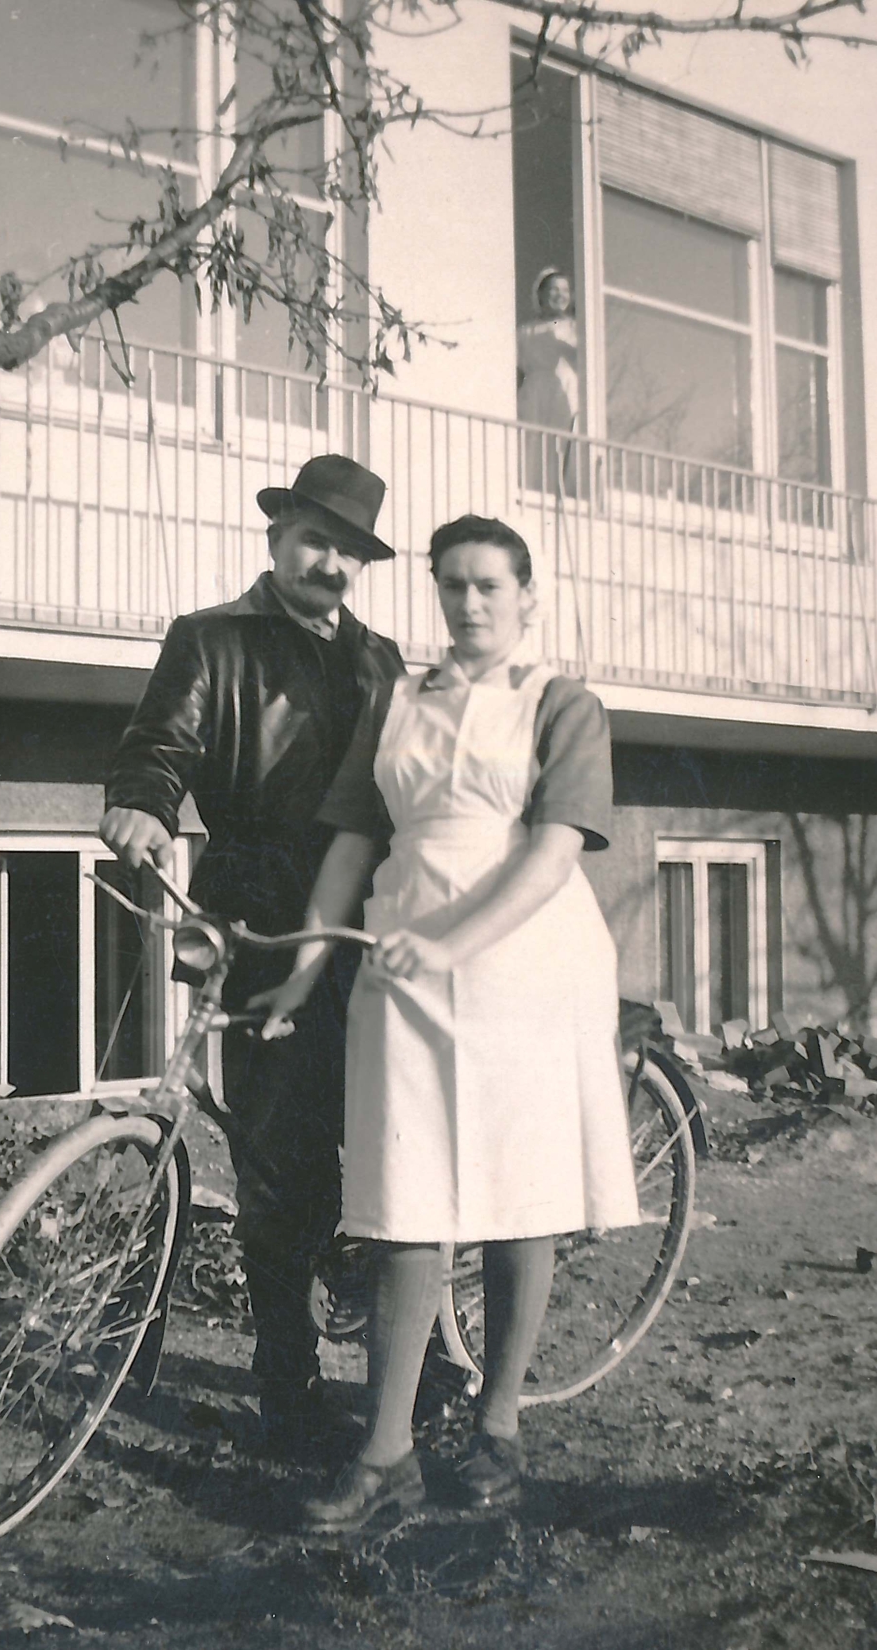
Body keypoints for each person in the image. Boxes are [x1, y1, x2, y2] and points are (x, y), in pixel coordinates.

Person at [261, 513, 640, 1529]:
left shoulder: (561, 704)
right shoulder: (395, 702)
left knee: (520, 1195)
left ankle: (498, 1428)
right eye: (451, 587)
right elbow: (350, 840)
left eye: (487, 587)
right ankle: (384, 1458)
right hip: (400, 962)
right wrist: (307, 964)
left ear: (525, 598)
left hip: (523, 963)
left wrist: (451, 943)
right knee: (401, 1202)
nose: (467, 604)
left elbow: (552, 853)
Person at [100, 454, 405, 1457]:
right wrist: (144, 805)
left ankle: (429, 1365)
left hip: (369, 917)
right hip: (256, 918)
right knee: (276, 1163)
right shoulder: (209, 639)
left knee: (405, 1147)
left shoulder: (382, 661)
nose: (330, 562)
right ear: (275, 537)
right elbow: (163, 743)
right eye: (314, 538)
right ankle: (289, 1386)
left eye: (349, 549)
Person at [517, 268, 579, 493]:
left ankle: (560, 489)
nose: (559, 295)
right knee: (533, 442)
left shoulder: (576, 328)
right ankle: (532, 487)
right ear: (541, 295)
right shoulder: (525, 330)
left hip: (564, 388)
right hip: (534, 391)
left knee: (561, 441)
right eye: (553, 289)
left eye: (564, 290)